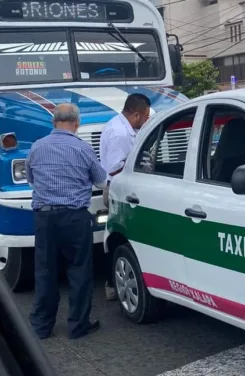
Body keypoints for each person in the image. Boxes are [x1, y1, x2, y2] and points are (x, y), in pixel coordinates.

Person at [26, 103, 107, 340]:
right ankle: (77, 326)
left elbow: (32, 181)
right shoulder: (82, 148)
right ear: (77, 123)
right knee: (79, 270)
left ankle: (41, 327)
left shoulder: (36, 148)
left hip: (44, 216)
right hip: (74, 217)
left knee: (45, 271)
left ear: (53, 123)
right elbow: (101, 181)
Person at [99, 93, 151, 301]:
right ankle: (113, 283)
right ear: (136, 114)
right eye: (145, 116)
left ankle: (114, 283)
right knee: (121, 238)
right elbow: (114, 168)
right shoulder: (120, 133)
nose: (147, 120)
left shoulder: (122, 127)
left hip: (124, 189)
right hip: (120, 191)